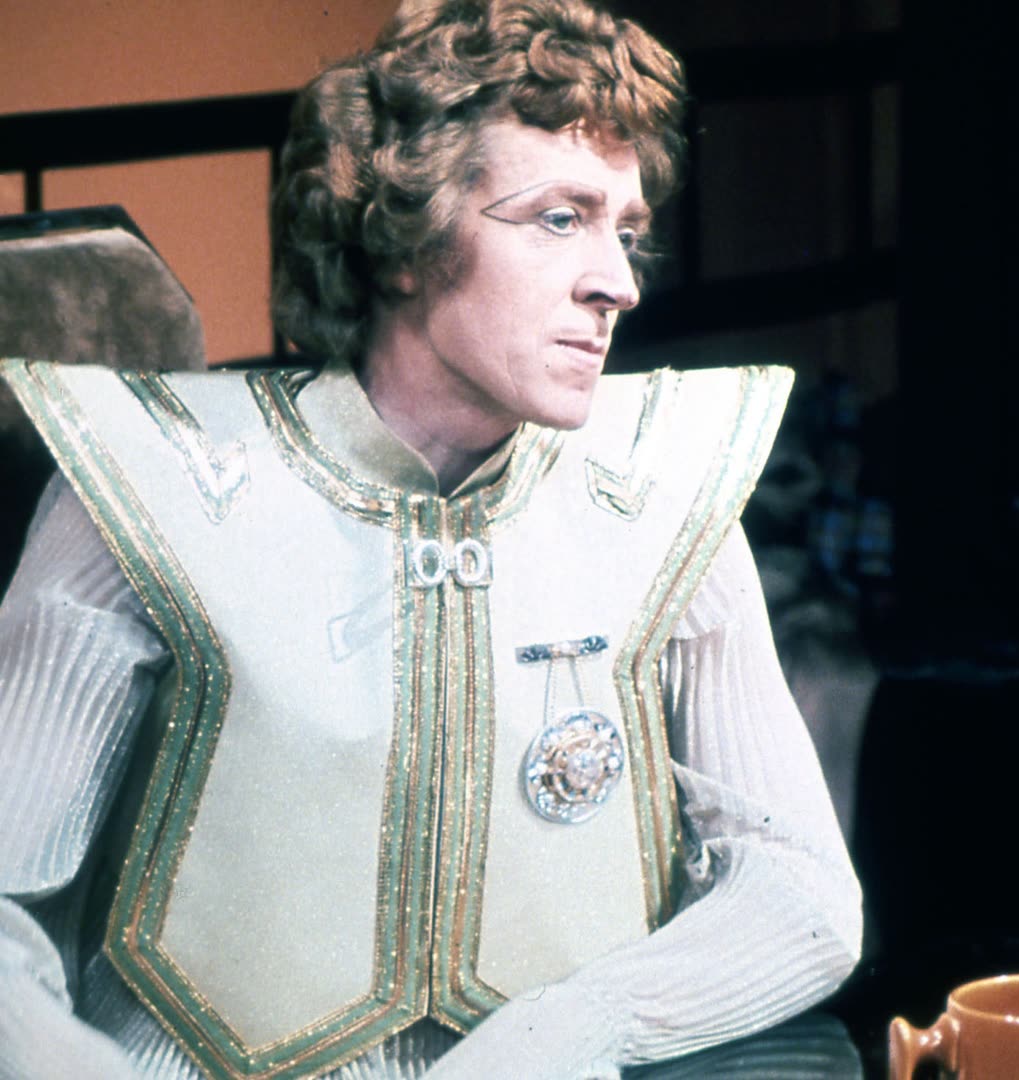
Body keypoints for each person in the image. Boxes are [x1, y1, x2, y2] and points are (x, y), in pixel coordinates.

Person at [0, 1, 860, 1077]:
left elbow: (802, 893)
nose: (619, 282)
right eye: (560, 218)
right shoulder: (146, 484)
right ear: (404, 243)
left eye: (627, 230)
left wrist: (581, 1026)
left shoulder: (665, 497)